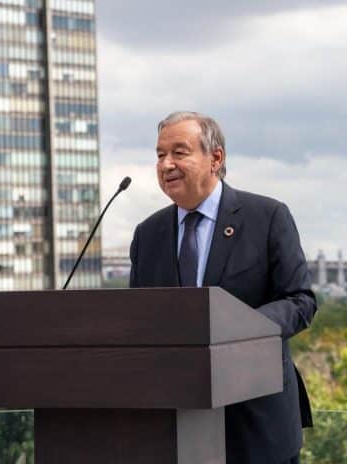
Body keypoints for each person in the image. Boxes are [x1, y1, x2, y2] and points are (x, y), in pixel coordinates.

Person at [129, 111, 317, 463]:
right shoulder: (147, 235)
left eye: (179, 152)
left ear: (215, 158)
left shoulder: (268, 217)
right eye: (159, 155)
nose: (166, 164)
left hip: (257, 422)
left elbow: (300, 301)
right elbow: (138, 323)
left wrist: (239, 330)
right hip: (176, 426)